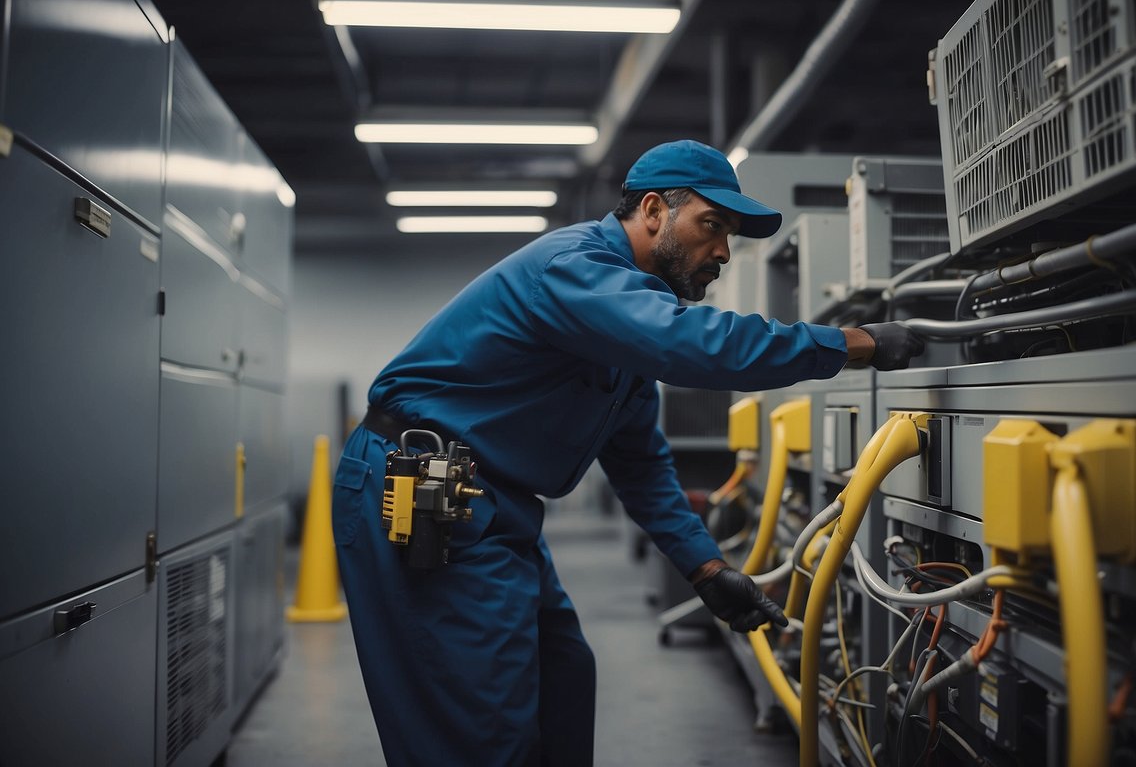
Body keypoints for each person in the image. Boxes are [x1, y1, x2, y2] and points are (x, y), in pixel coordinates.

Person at [331, 139, 925, 766]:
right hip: (419, 490)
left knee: (561, 677)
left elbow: (639, 464)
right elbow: (693, 344)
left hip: (490, 502)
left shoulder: (622, 336)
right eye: (712, 226)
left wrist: (704, 569)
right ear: (651, 211)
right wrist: (850, 342)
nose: (723, 251)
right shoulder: (575, 266)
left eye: (729, 235)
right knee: (480, 728)